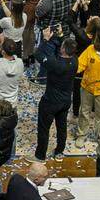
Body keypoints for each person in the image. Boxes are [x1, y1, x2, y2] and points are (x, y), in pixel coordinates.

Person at [34, 31, 74, 161]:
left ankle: (40, 156)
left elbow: (38, 54)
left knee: (44, 128)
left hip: (50, 101)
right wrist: (62, 34)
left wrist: (45, 40)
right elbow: (67, 48)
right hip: (66, 100)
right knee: (62, 127)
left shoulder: (54, 64)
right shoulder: (75, 61)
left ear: (62, 49)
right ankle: (59, 152)